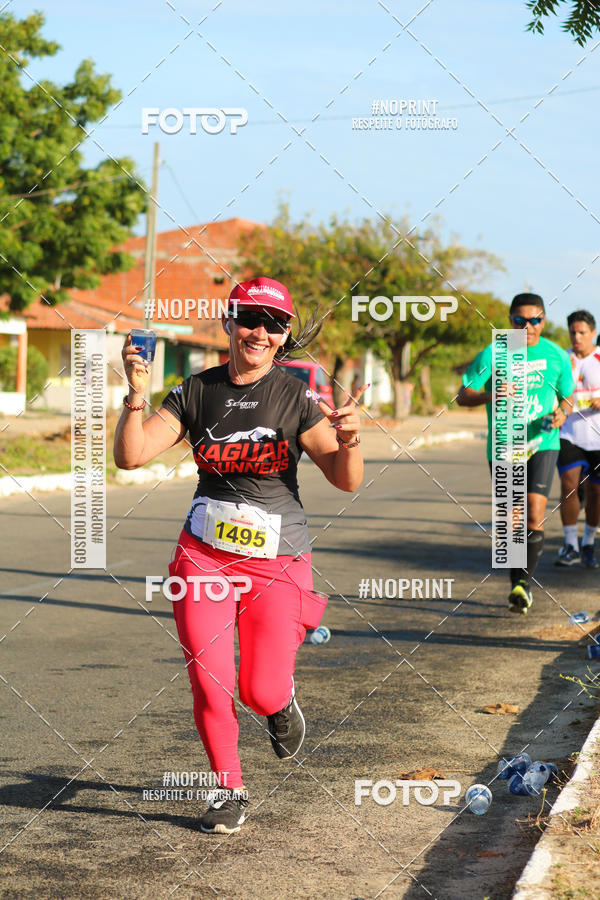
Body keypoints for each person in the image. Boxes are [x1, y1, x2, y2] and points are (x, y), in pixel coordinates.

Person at [114, 276, 364, 834]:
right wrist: (135, 389)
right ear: (230, 322)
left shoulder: (296, 397)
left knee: (259, 689)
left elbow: (345, 481)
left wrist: (350, 441)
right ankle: (228, 788)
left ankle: (279, 704)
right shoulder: (195, 391)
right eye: (250, 319)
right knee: (208, 679)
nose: (260, 331)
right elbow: (131, 457)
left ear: (283, 338)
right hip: (202, 555)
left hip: (277, 561)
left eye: (274, 325)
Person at [457, 293, 574, 614]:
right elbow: (462, 395)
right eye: (520, 321)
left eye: (535, 320)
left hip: (543, 443)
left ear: (544, 321)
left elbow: (567, 397)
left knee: (534, 513)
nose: (528, 327)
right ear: (510, 322)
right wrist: (489, 394)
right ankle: (517, 584)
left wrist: (562, 413)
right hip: (505, 444)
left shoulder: (556, 356)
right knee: (513, 519)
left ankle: (523, 585)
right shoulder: (495, 353)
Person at [555, 310, 600, 568]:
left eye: (582, 332)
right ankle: (570, 545)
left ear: (592, 333)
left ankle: (589, 542)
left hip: (597, 438)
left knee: (595, 492)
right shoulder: (562, 359)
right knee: (568, 485)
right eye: (573, 332)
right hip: (569, 433)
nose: (577, 337)